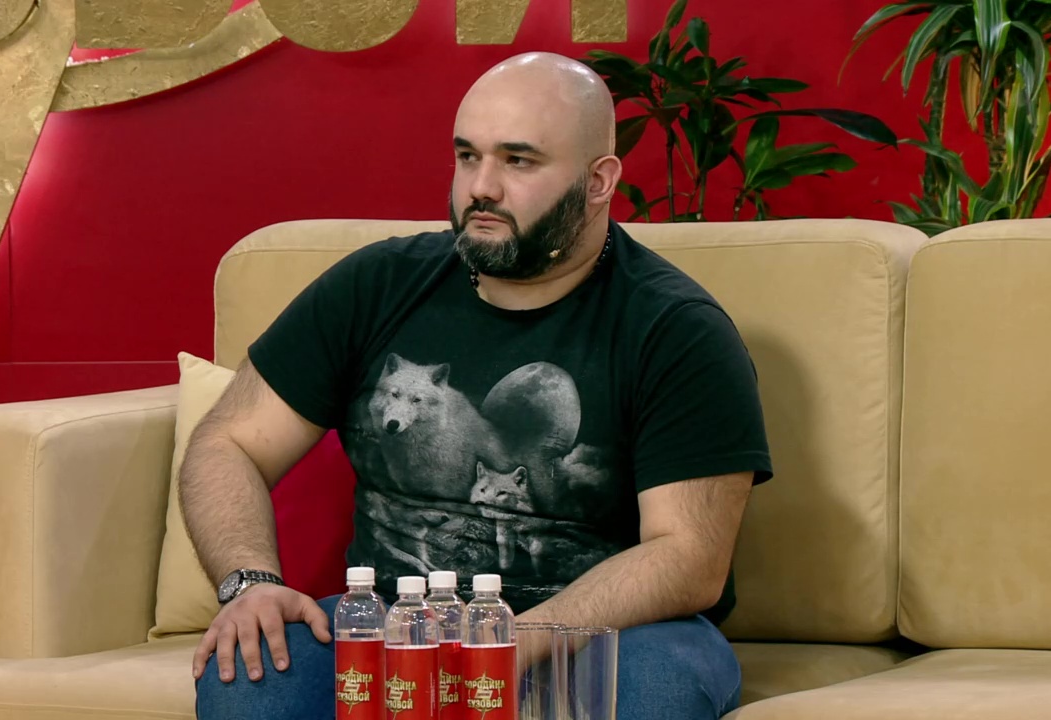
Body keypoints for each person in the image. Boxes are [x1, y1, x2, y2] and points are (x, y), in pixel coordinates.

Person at [182, 51, 772, 719]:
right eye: (468, 156)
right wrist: (250, 583)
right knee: (252, 683)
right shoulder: (374, 287)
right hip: (396, 619)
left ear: (598, 180)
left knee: (653, 692)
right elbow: (228, 441)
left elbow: (690, 555)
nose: (481, 188)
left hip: (605, 630)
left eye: (518, 161)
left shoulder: (675, 328)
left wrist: (516, 640)